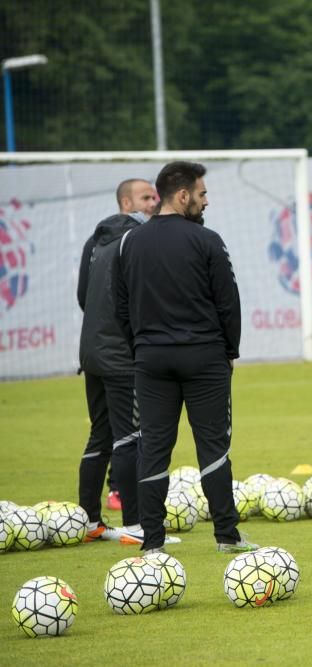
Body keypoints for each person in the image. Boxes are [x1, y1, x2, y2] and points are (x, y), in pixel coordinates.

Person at [115, 161, 254, 555]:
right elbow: (228, 302)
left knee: (153, 447)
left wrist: (140, 347)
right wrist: (230, 351)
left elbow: (120, 308)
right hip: (204, 357)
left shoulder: (130, 241)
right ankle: (227, 536)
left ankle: (153, 543)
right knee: (213, 446)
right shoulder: (207, 240)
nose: (205, 201)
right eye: (202, 193)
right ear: (182, 195)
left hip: (150, 360)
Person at [77, 179, 158, 543]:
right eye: (146, 197)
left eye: (156, 196)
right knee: (131, 438)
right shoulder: (136, 240)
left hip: (92, 353)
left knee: (101, 434)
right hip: (122, 356)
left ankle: (90, 521)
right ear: (127, 203)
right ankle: (137, 525)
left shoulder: (94, 241)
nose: (154, 202)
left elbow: (83, 296)